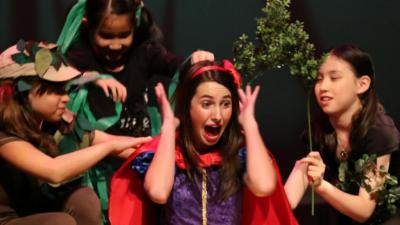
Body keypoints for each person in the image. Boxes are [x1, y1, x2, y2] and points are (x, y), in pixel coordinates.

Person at [57, 1, 213, 223]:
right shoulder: (79, 54)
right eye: (106, 36)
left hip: (138, 160)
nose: (115, 44)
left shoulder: (144, 52)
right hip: (99, 167)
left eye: (124, 35)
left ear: (134, 26)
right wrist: (94, 78)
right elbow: (64, 75)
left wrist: (196, 59)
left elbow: (178, 65)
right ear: (87, 25)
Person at [109, 60, 299, 225]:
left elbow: (264, 186)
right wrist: (168, 128)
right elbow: (158, 192)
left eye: (226, 104)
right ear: (187, 107)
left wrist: (250, 124)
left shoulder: (239, 154)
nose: (217, 116)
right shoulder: (168, 153)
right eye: (207, 104)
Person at [0, 40, 151, 225]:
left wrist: (159, 152)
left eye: (64, 89)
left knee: (83, 199)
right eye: (55, 91)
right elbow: (54, 171)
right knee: (60, 222)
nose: (66, 98)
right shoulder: (4, 133)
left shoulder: (53, 120)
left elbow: (113, 143)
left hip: (37, 210)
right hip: (7, 220)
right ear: (24, 92)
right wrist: (109, 146)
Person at [284, 44, 400, 225]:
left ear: (362, 84)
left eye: (334, 78)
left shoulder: (379, 132)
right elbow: (287, 201)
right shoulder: (316, 133)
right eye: (319, 78)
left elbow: (364, 210)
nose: (322, 87)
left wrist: (321, 186)